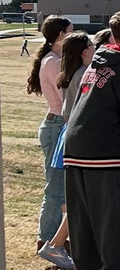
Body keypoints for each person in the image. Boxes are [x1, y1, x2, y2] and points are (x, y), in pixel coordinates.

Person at [63, 9, 120, 270]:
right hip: (104, 147)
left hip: (75, 142)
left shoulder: (95, 61)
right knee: (110, 215)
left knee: (82, 212)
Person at [36, 31, 95, 270]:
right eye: (91, 45)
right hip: (75, 138)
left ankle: (60, 243)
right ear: (83, 52)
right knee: (78, 196)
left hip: (69, 136)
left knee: (79, 196)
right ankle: (56, 242)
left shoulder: (72, 73)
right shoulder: (82, 75)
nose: (95, 49)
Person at [26, 15, 73, 256]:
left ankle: (57, 238)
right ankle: (46, 239)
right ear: (60, 36)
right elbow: (65, 98)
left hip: (58, 125)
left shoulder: (55, 59)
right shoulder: (53, 62)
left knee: (62, 187)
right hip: (56, 127)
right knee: (55, 188)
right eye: (70, 31)